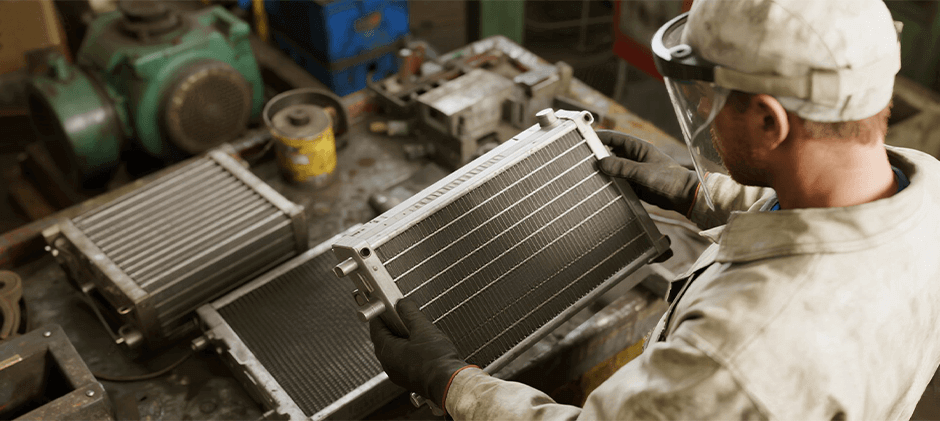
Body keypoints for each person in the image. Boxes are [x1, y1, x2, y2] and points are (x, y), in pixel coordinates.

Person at [369, 0, 940, 419]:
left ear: (770, 121)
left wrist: (452, 383)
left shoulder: (735, 354)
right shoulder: (925, 192)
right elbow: (828, 221)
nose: (702, 114)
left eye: (708, 99)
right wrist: (698, 193)